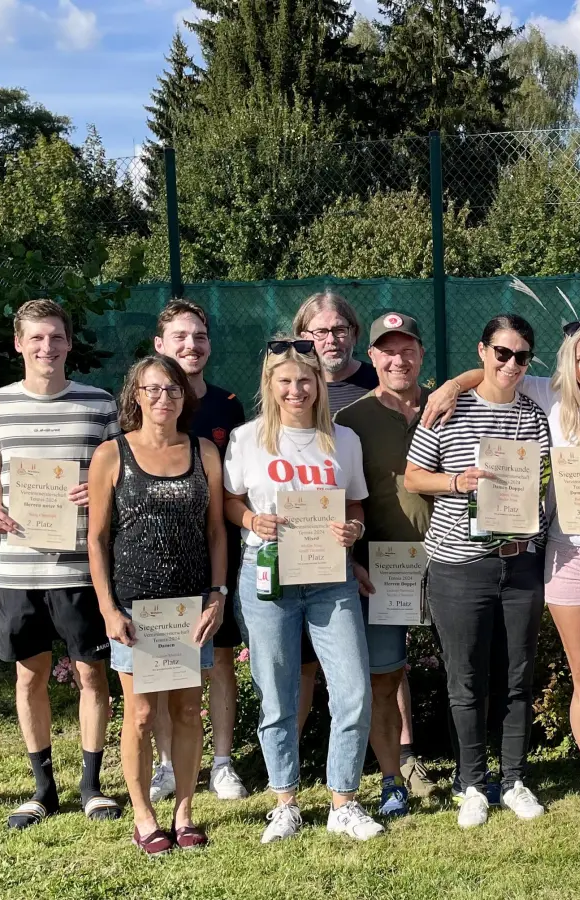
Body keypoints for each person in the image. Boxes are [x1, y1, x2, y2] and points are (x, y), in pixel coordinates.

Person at [422, 314, 580, 807]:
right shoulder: (552, 397)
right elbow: (496, 369)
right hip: (570, 559)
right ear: (570, 365)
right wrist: (450, 386)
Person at [222, 335, 380, 844]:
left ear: (319, 384)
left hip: (330, 577)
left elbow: (355, 504)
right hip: (267, 574)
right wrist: (250, 518)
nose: (296, 389)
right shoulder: (248, 439)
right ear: (270, 385)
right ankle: (285, 802)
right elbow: (229, 501)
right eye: (285, 380)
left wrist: (353, 530)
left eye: (305, 380)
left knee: (353, 689)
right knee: (277, 692)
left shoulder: (343, 439)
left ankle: (343, 802)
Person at [0, 299, 122, 828]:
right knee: (29, 676)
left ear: (68, 342)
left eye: (55, 337)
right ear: (18, 343)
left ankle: (91, 785)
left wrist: (99, 486)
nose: (46, 348)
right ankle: (42, 787)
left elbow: (118, 471)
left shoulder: (98, 403)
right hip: (19, 566)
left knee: (91, 673)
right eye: (35, 338)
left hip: (84, 567)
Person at [404, 314, 552, 829]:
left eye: (522, 356)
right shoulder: (449, 409)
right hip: (459, 567)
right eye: (501, 353)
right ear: (483, 351)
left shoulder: (535, 416)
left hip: (519, 565)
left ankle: (513, 779)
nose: (511, 364)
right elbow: (412, 477)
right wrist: (456, 482)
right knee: (465, 682)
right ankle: (471, 782)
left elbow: (545, 483)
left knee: (516, 680)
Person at [86, 355, 228, 855]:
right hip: (134, 609)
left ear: (183, 396)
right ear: (136, 396)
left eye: (171, 389)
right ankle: (144, 816)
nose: (163, 398)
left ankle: (185, 812)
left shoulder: (204, 452)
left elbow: (215, 532)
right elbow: (98, 539)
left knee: (189, 711)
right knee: (142, 715)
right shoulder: (112, 455)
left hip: (191, 608)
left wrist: (218, 595)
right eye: (152, 390)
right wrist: (108, 608)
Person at [292, 292, 423, 776]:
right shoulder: (313, 405)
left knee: (391, 669)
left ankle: (404, 758)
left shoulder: (391, 387)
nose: (330, 339)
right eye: (319, 331)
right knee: (356, 669)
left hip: (431, 558)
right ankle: (300, 763)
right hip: (357, 560)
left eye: (339, 329)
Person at [334, 312, 436, 820]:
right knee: (384, 677)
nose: (399, 359)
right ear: (370, 356)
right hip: (385, 568)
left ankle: (478, 775)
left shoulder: (447, 405)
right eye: (387, 350)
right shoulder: (350, 422)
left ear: (421, 352)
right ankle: (392, 779)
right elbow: (338, 499)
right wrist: (348, 558)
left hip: (456, 562)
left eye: (408, 348)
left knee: (469, 670)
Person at [147, 300, 250, 805]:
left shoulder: (229, 406)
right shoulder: (143, 406)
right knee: (167, 662)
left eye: (200, 336)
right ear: (160, 346)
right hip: (159, 561)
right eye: (180, 337)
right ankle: (167, 765)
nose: (192, 345)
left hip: (216, 554)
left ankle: (223, 763)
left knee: (221, 660)